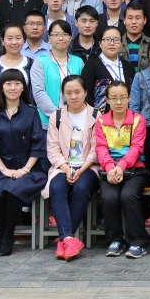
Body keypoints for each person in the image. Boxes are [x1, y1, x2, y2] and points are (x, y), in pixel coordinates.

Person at [0, 69, 46, 256]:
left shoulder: (31, 112)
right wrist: (4, 170)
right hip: (0, 168)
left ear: (23, 87)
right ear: (1, 87)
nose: (13, 87)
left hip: (29, 168)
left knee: (12, 190)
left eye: (17, 83)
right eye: (8, 83)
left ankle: (8, 237)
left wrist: (25, 169)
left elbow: (38, 144)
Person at [43, 75, 100, 260]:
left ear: (85, 92)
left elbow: (97, 149)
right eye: (68, 93)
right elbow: (53, 149)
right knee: (57, 187)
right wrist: (67, 169)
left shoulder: (96, 115)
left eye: (77, 92)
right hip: (63, 166)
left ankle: (63, 240)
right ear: (63, 95)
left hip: (89, 167)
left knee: (82, 187)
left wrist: (81, 170)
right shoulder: (57, 116)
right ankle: (68, 238)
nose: (73, 96)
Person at [95, 80, 150, 258]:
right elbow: (101, 148)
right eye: (114, 98)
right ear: (107, 100)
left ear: (129, 98)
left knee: (128, 196)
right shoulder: (101, 121)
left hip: (135, 168)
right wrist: (111, 168)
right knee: (109, 198)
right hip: (109, 169)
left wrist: (120, 167)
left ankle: (138, 241)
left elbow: (137, 148)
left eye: (122, 97)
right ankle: (115, 240)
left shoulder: (138, 120)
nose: (118, 102)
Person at [30, 21, 86, 129]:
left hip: (76, 121)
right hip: (48, 123)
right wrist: (59, 116)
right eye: (56, 35)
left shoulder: (78, 62)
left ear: (71, 37)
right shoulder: (40, 62)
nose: (61, 38)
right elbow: (39, 92)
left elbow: (83, 90)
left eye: (65, 34)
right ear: (49, 38)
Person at [81, 26, 136, 108]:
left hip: (127, 113)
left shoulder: (128, 67)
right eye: (107, 39)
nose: (112, 43)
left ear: (121, 44)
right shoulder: (90, 67)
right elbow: (86, 96)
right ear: (100, 43)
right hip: (100, 115)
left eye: (116, 40)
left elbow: (134, 94)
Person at [0, 24, 33, 111]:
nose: (14, 42)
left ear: (24, 40)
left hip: (25, 114)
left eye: (18, 38)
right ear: (2, 41)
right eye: (9, 38)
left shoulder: (32, 64)